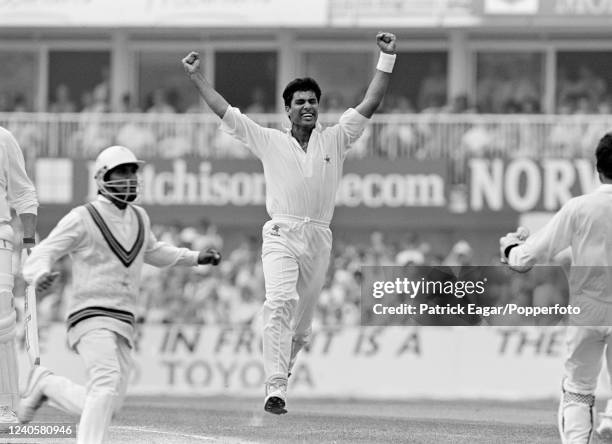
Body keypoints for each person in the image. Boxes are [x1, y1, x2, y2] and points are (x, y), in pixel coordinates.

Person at [181, 31, 396, 415]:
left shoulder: (336, 137)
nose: (308, 107)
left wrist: (387, 58)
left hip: (319, 237)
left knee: (301, 325)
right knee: (278, 301)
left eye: (313, 101)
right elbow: (224, 110)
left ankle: (283, 372)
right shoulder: (268, 140)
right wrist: (197, 77)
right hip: (281, 231)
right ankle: (275, 386)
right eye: (300, 103)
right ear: (288, 110)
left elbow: (372, 101)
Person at [17, 145, 221, 444]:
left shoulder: (140, 217)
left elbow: (154, 251)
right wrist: (39, 274)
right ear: (102, 178)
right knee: (105, 384)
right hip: (89, 313)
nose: (129, 179)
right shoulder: (83, 216)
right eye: (121, 172)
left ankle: (47, 385)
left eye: (132, 172)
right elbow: (47, 249)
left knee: (107, 404)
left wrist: (195, 257)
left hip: (124, 319)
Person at [499, 132, 612, 443]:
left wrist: (510, 247)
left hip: (588, 309)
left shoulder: (579, 207)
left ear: (597, 168)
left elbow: (526, 258)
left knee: (577, 390)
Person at [0, 127, 38, 423]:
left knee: (1, 325)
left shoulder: (3, 138)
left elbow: (23, 192)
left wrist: (27, 243)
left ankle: (6, 407)